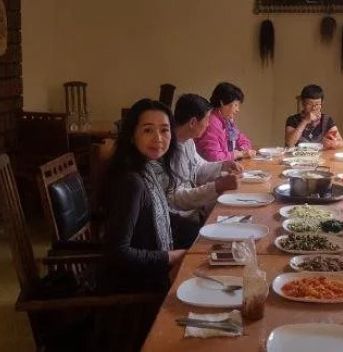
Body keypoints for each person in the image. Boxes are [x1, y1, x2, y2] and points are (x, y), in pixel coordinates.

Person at [98, 99, 185, 294]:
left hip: (148, 275)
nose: (158, 138)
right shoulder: (131, 182)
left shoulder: (147, 169)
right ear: (132, 135)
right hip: (135, 292)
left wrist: (203, 229)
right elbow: (117, 253)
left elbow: (151, 217)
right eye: (148, 130)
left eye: (164, 130)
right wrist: (170, 257)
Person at [168, 94, 242, 245]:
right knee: (225, 240)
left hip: (194, 212)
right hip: (177, 222)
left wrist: (224, 165)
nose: (208, 124)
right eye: (207, 119)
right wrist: (217, 186)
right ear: (193, 122)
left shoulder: (188, 141)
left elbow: (200, 167)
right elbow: (175, 199)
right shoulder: (168, 150)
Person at [195, 82, 257, 161]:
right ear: (222, 102)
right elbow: (212, 157)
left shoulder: (227, 121)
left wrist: (243, 150)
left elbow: (244, 140)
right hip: (213, 168)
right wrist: (239, 154)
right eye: (235, 105)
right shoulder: (211, 122)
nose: (238, 110)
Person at [284, 84, 343, 149]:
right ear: (303, 103)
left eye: (317, 104)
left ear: (322, 103)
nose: (314, 108)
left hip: (320, 155)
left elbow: (341, 142)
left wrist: (335, 143)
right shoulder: (292, 119)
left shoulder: (327, 120)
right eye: (309, 104)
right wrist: (305, 121)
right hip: (298, 155)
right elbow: (289, 143)